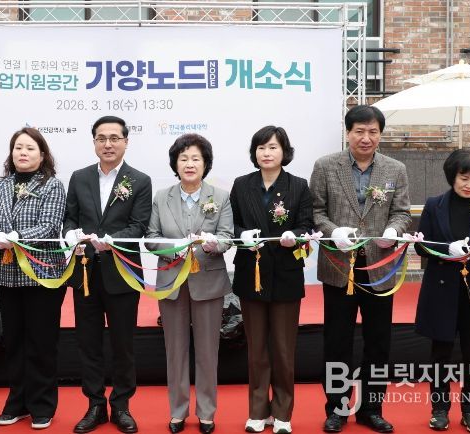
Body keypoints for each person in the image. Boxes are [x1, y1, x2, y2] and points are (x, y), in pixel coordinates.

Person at [310, 105, 411, 433]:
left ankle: (372, 408)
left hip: (380, 268)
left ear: (380, 134)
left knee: (378, 342)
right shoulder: (326, 166)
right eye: (359, 131)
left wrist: (394, 230)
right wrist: (333, 231)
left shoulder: (395, 169)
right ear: (348, 133)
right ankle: (337, 408)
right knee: (337, 341)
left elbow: (402, 212)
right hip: (339, 267)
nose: (366, 138)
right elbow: (316, 211)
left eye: (373, 132)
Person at [62, 115, 152, 434]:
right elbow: (70, 218)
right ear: (94, 143)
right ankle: (95, 405)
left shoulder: (139, 180)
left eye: (114, 138)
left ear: (126, 142)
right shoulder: (79, 177)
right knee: (88, 343)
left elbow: (139, 226)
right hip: (85, 272)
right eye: (102, 138)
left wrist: (111, 241)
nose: (108, 144)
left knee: (122, 343)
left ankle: (122, 405)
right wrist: (71, 234)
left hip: (122, 272)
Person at [145, 134, 233, 434]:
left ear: (205, 163)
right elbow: (151, 237)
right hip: (172, 282)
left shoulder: (220, 197)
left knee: (208, 351)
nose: (189, 164)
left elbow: (227, 237)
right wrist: (173, 248)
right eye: (183, 158)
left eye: (196, 158)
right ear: (175, 164)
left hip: (207, 281)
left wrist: (211, 244)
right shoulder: (162, 197)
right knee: (175, 351)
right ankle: (178, 411)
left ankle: (206, 412)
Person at [0, 127, 66, 430]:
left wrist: (15, 238)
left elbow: (50, 226)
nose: (23, 153)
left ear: (42, 154)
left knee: (41, 342)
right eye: (18, 147)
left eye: (30, 148)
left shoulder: (52, 185)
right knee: (14, 340)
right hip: (7, 274)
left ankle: (42, 404)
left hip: (42, 273)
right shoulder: (0, 185)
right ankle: (17, 401)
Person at [230, 126, 314, 434]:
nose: (267, 153)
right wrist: (241, 235)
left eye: (273, 147)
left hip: (285, 275)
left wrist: (296, 236)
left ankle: (282, 412)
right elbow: (231, 224)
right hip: (251, 273)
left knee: (282, 349)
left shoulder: (298, 186)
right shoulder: (242, 185)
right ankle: (257, 411)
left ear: (284, 152)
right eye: (261, 147)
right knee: (256, 350)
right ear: (254, 153)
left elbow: (307, 225)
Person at [414, 150, 470, 434]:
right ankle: (439, 410)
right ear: (452, 176)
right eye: (464, 177)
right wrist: (445, 250)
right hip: (442, 290)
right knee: (440, 353)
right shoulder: (434, 205)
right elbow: (420, 246)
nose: (469, 184)